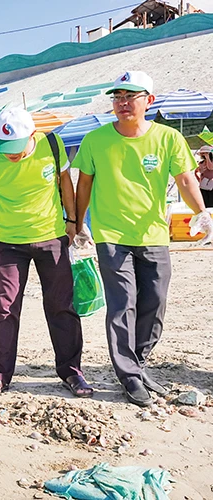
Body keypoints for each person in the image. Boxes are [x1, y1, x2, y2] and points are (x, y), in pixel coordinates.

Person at [74, 71, 213, 407]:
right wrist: (77, 224)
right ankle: (130, 376)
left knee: (154, 299)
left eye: (130, 96)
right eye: (118, 97)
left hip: (153, 233)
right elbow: (84, 185)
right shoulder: (96, 140)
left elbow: (185, 179)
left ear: (148, 101)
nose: (122, 103)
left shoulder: (168, 139)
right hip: (111, 235)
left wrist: (202, 212)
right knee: (122, 304)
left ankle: (138, 361)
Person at [0, 107, 92, 398]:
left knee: (62, 306)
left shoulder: (52, 145)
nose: (10, 154)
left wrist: (73, 222)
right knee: (5, 309)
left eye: (15, 147)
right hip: (10, 245)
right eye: (4, 147)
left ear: (31, 135)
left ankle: (71, 372)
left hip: (52, 238)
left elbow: (65, 182)